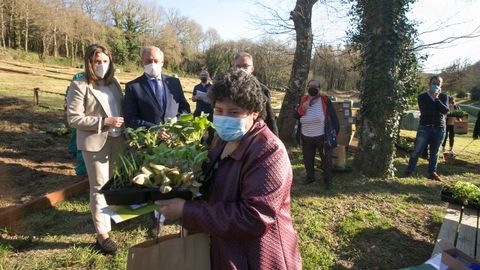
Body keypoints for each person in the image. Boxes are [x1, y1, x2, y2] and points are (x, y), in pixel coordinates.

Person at [155, 70, 302, 269]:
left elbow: (253, 218)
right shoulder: (223, 139)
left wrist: (186, 210)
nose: (224, 118)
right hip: (226, 249)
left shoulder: (268, 151)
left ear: (254, 112)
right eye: (219, 110)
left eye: (234, 112)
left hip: (258, 256)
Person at [66, 44, 125, 254]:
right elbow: (73, 118)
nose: (101, 65)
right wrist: (103, 121)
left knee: (113, 182)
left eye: (105, 61)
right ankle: (103, 235)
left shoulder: (114, 83)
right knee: (99, 186)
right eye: (96, 62)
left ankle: (109, 217)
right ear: (89, 63)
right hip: (95, 142)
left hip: (117, 141)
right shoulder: (79, 84)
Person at [124, 46, 190, 128]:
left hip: (174, 136)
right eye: (148, 61)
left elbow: (185, 108)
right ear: (142, 63)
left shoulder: (174, 82)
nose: (153, 64)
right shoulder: (133, 87)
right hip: (148, 138)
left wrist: (176, 124)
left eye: (156, 61)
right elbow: (130, 118)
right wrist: (154, 129)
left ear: (162, 62)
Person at [295, 79, 339, 189]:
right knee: (308, 158)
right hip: (306, 135)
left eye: (315, 86)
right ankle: (310, 178)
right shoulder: (302, 100)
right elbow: (295, 115)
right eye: (310, 86)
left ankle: (327, 181)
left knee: (326, 159)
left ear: (319, 89)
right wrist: (303, 108)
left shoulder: (325, 100)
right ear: (307, 88)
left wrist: (335, 130)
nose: (313, 88)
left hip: (322, 136)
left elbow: (334, 117)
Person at [406, 75, 449, 181]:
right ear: (429, 84)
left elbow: (445, 111)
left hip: (439, 128)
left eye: (438, 84)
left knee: (434, 153)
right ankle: (410, 170)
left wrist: (437, 99)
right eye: (434, 83)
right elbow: (425, 112)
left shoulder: (443, 97)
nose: (436, 85)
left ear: (441, 85)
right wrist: (438, 110)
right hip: (425, 127)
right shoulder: (422, 97)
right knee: (417, 150)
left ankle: (432, 172)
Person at [233, 52, 279, 136]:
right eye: (238, 66)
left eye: (245, 66)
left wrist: (275, 137)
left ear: (252, 69)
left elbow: (269, 117)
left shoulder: (262, 89)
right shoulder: (227, 89)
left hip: (254, 135)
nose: (241, 69)